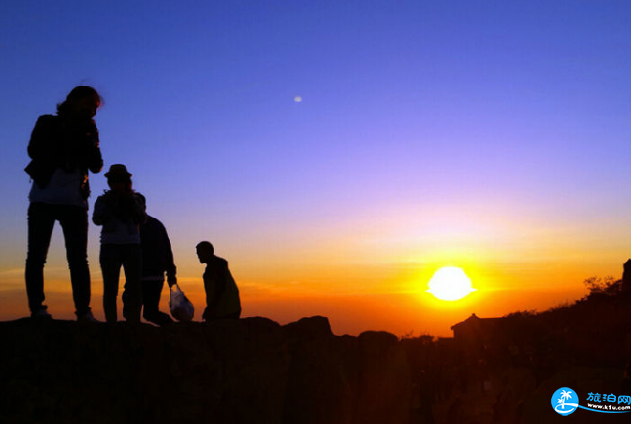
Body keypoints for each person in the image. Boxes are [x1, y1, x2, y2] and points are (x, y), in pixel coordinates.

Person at [24, 86, 103, 321]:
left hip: (75, 202)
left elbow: (97, 166)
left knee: (78, 258)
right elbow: (33, 150)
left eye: (95, 108)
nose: (93, 112)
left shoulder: (90, 130)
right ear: (74, 101)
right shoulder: (47, 122)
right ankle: (37, 308)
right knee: (37, 256)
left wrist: (87, 141)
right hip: (43, 198)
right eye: (90, 105)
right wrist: (67, 141)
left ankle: (83, 311)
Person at [93, 164, 146, 323]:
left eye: (119, 180)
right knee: (110, 289)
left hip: (132, 246)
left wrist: (129, 202)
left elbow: (142, 219)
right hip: (110, 246)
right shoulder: (103, 199)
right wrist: (111, 204)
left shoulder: (135, 199)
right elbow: (97, 219)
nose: (116, 184)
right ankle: (111, 324)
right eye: (114, 181)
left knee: (134, 287)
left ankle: (134, 322)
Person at [137, 193, 176, 326]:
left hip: (152, 276)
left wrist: (171, 273)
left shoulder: (155, 225)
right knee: (141, 312)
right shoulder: (155, 224)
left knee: (149, 313)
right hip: (140, 275)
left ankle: (173, 329)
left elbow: (166, 248)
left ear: (144, 206)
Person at [196, 241, 241, 320]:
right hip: (228, 308)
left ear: (207, 252)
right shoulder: (214, 265)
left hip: (226, 309)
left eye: (199, 253)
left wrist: (210, 308)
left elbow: (220, 288)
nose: (198, 256)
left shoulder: (216, 266)